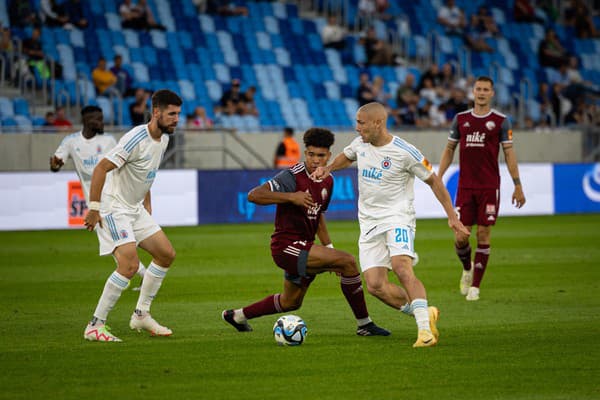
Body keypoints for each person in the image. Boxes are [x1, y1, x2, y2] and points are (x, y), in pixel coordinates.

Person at [311, 102, 470, 347]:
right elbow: (347, 156)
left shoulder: (405, 151)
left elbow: (435, 181)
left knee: (402, 267)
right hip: (369, 223)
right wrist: (329, 168)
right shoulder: (360, 144)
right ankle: (424, 313)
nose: (357, 128)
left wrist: (453, 216)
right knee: (375, 285)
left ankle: (425, 332)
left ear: (378, 123)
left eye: (361, 123)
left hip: (398, 218)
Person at [222, 128, 390, 337]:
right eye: (311, 154)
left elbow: (318, 216)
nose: (315, 160)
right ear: (305, 153)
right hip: (286, 247)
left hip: (306, 247)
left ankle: (237, 316)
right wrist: (291, 197)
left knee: (290, 302)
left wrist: (329, 250)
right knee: (348, 262)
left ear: (328, 156)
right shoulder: (292, 176)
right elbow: (254, 195)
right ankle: (365, 324)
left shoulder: (328, 180)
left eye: (321, 156)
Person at [82, 89, 182, 342]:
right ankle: (95, 325)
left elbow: (146, 172)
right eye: (171, 114)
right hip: (113, 208)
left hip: (134, 208)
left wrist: (146, 199)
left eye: (178, 114)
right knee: (129, 265)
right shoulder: (135, 138)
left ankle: (141, 314)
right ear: (156, 112)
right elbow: (101, 168)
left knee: (166, 254)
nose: (176, 119)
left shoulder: (165, 140)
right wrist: (94, 208)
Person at [437, 76, 526, 301]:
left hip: (489, 186)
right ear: (473, 92)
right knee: (460, 236)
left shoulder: (500, 121)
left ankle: (475, 285)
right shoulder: (461, 119)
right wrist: (438, 176)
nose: (482, 93)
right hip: (465, 187)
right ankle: (467, 268)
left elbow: (509, 153)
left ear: (492, 94)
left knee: (484, 233)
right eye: (478, 89)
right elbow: (449, 150)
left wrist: (517, 185)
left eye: (486, 89)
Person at [50, 105, 146, 288]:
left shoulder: (109, 141)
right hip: (94, 202)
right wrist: (55, 164)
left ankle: (137, 273)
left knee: (114, 242)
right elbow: (56, 164)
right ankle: (137, 273)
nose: (102, 122)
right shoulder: (71, 142)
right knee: (113, 242)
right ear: (87, 121)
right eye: (98, 119)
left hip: (112, 199)